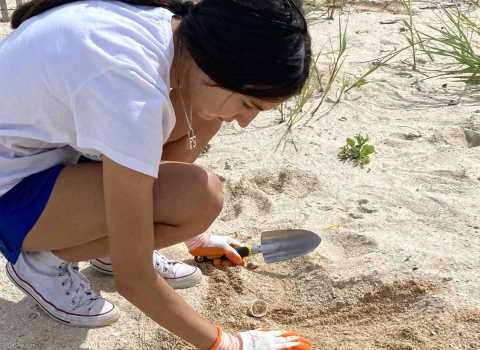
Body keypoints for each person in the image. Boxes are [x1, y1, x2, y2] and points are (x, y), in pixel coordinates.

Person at [0, 0, 313, 348]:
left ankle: (105, 244)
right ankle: (44, 259)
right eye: (249, 104)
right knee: (200, 197)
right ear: (217, 64)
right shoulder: (129, 89)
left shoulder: (174, 32)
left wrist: (196, 239)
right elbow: (133, 278)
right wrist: (232, 344)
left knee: (205, 112)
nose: (245, 121)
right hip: (10, 191)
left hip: (48, 152)